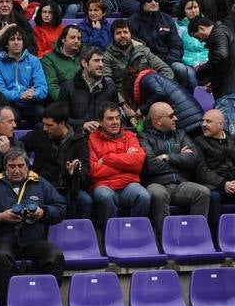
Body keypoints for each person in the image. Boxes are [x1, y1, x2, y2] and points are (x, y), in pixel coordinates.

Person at [0, 148, 67, 302]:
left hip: (33, 240)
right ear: (5, 167)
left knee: (55, 256)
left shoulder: (40, 183)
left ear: (27, 166)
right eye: (12, 166)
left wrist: (43, 212)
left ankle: (46, 301)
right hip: (4, 239)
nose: (17, 170)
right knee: (1, 257)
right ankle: (9, 305)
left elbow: (61, 208)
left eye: (21, 166)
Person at [138, 101, 213, 238]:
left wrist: (168, 157)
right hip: (156, 183)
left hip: (180, 183)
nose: (176, 119)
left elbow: (194, 160)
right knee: (159, 195)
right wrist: (181, 158)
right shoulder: (144, 137)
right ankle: (167, 240)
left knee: (203, 192)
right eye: (171, 116)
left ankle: (196, 238)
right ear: (159, 121)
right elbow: (151, 165)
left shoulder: (181, 135)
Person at [88, 103, 152, 238]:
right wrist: (125, 162)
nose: (115, 122)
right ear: (100, 121)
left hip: (127, 184)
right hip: (103, 185)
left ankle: (134, 236)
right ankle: (110, 237)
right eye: (110, 119)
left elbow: (137, 164)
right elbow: (94, 171)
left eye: (117, 118)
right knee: (105, 197)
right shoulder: (92, 139)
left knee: (144, 196)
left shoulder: (130, 136)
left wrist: (107, 159)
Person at [189, 15, 235, 133]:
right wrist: (216, 82)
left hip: (231, 96)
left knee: (222, 137)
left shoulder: (218, 33)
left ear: (201, 28)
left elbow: (220, 56)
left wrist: (202, 71)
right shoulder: (226, 32)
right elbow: (228, 64)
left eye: (197, 37)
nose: (200, 41)